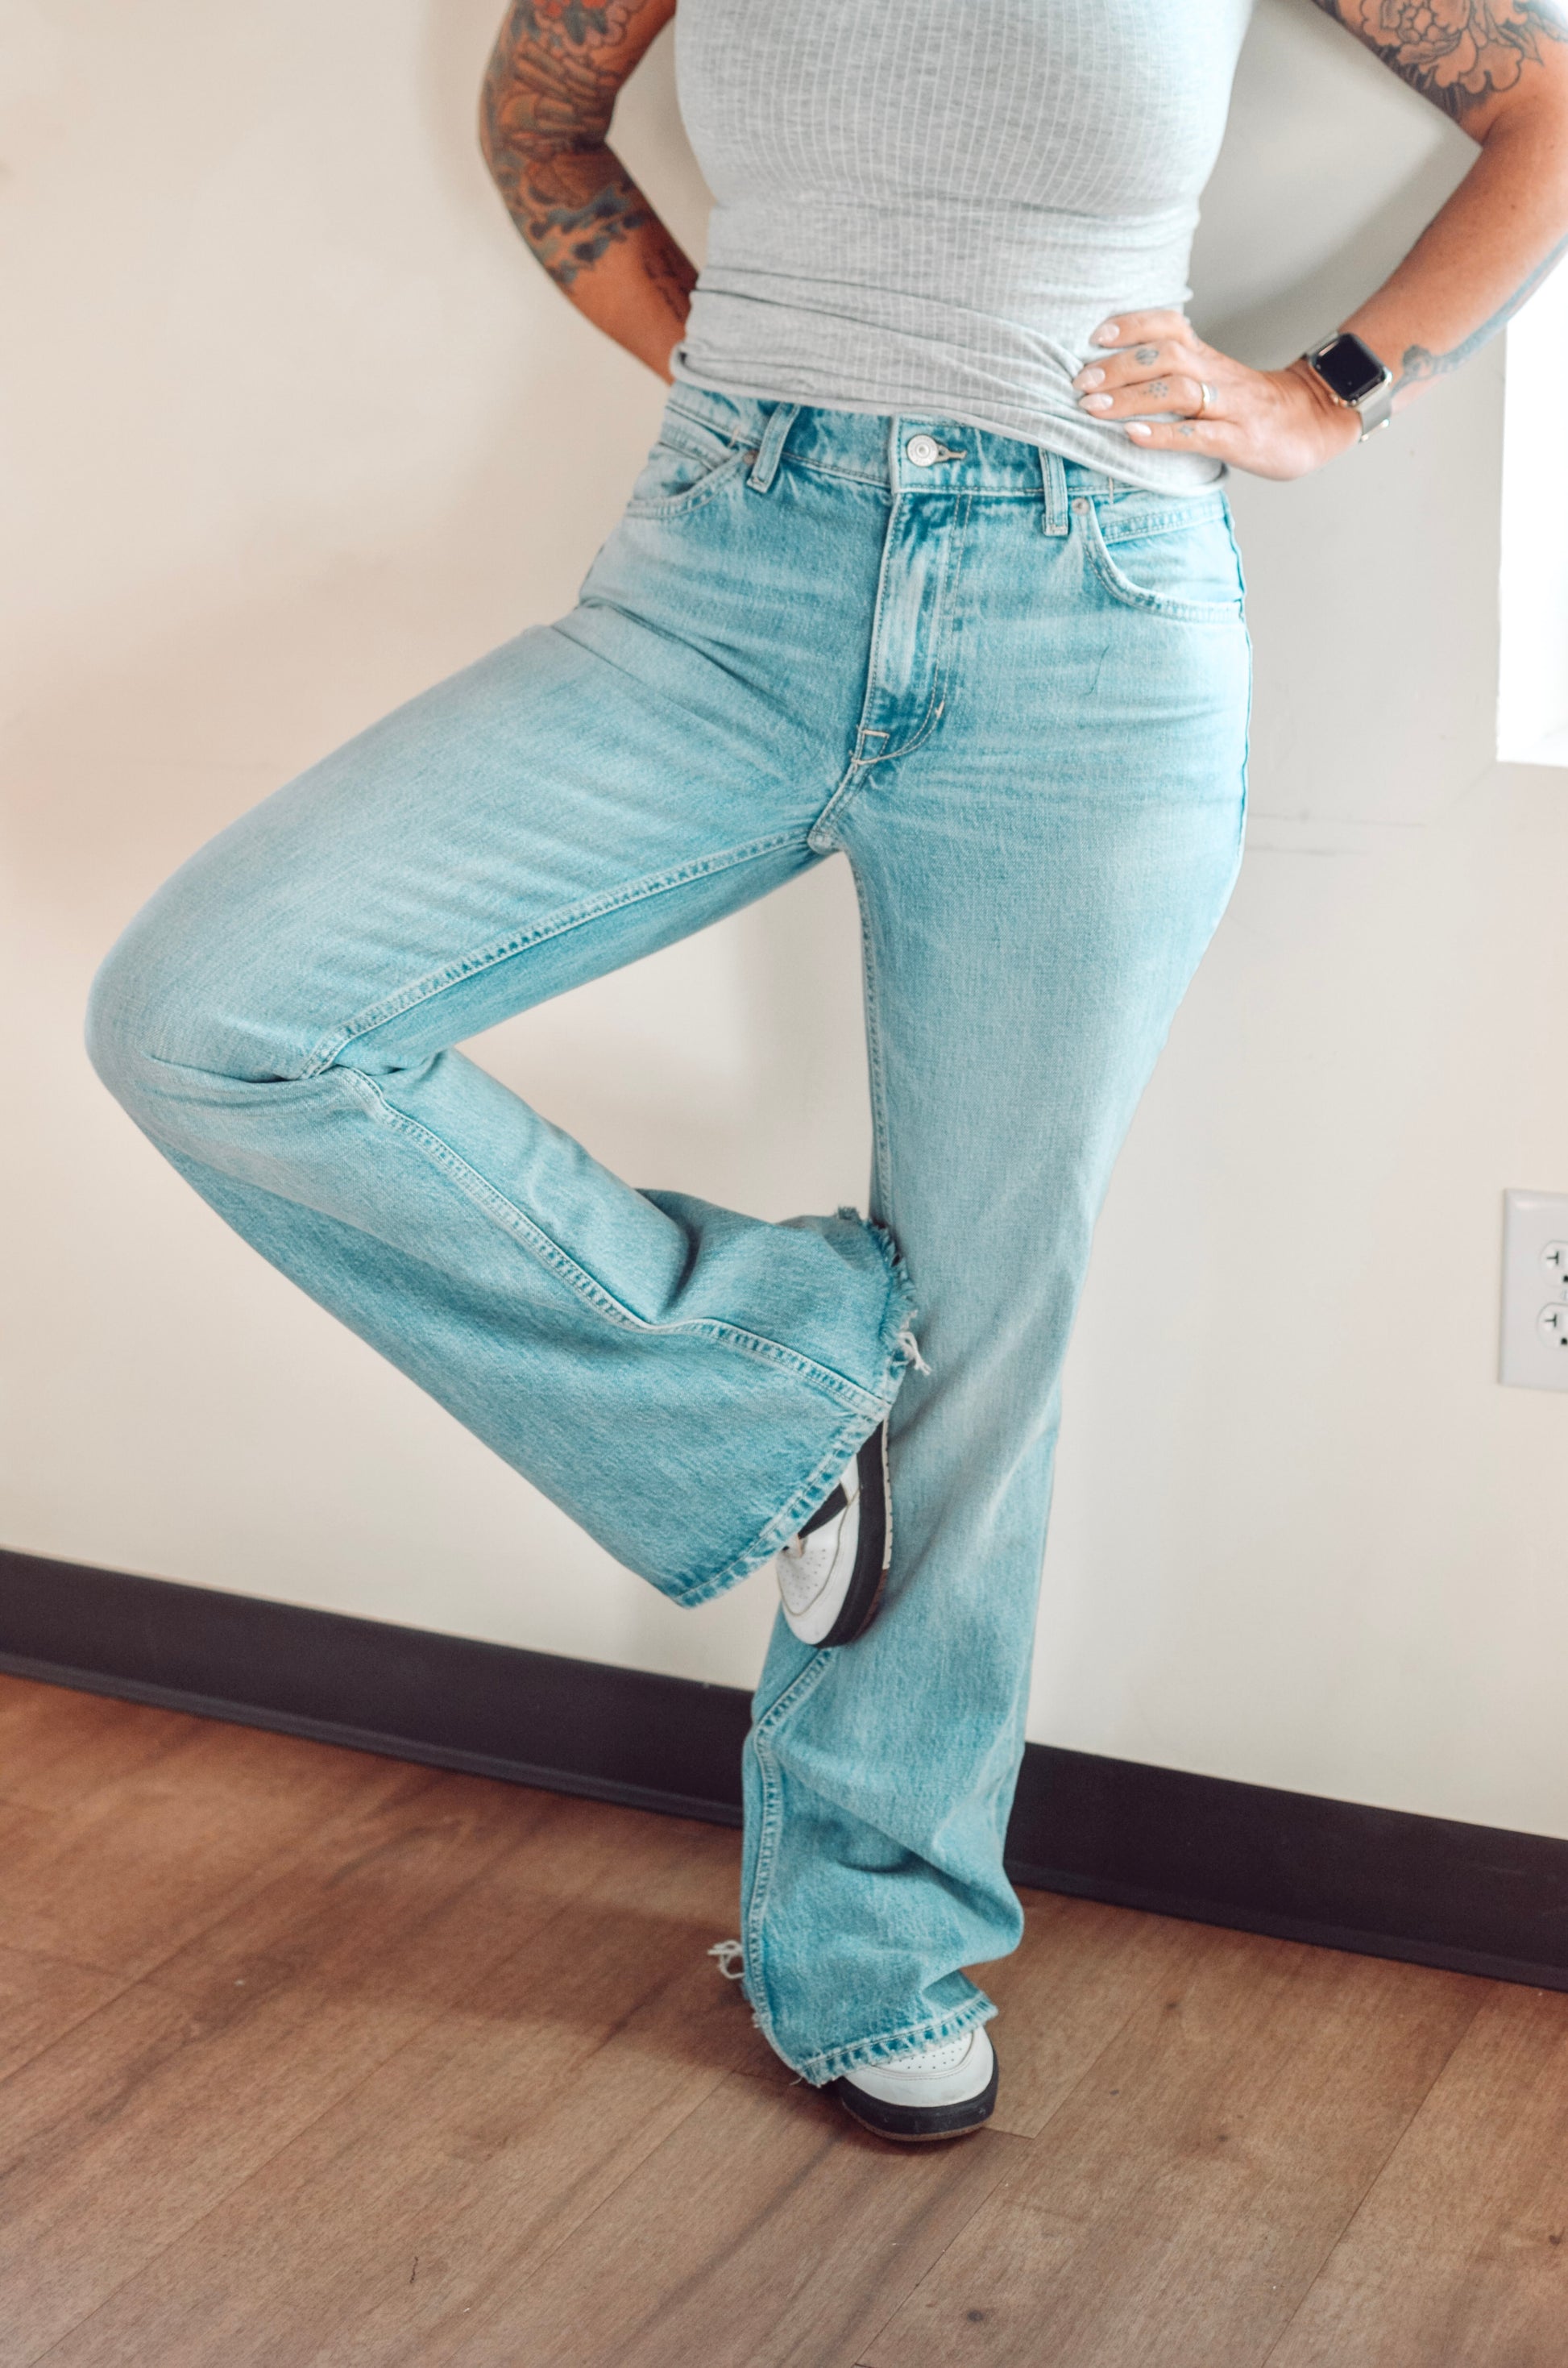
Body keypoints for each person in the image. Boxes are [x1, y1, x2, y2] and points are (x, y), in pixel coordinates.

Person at [87, 0, 1568, 2144]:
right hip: (723, 580)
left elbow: (1539, 100)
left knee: (984, 1306)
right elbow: (541, 108)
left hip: (1097, 602)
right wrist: (723, 375)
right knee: (217, 1008)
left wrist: (1328, 392)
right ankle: (778, 1403)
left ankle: (867, 1942)